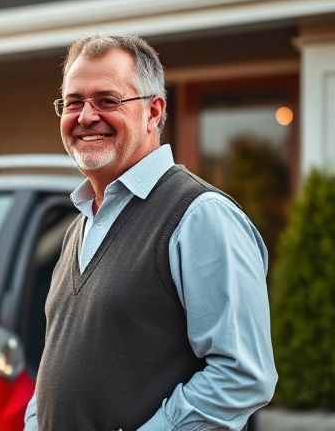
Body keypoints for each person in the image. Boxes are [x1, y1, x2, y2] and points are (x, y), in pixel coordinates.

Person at [24, 35, 277, 430]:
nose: (86, 116)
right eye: (73, 102)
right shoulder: (81, 224)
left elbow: (243, 377)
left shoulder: (199, 216)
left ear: (153, 112)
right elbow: (59, 362)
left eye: (107, 100)